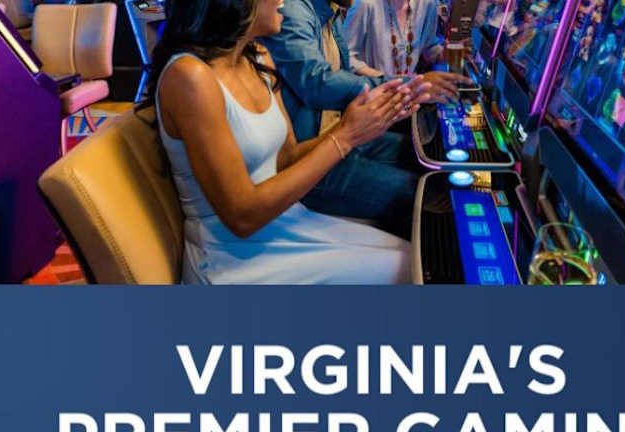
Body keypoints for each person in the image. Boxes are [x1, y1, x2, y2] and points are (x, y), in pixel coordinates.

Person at [142, 0, 429, 284]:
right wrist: (345, 137)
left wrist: (355, 127)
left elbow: (286, 158)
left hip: (284, 220)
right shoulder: (189, 76)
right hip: (229, 257)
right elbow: (242, 218)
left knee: (416, 256)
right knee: (409, 269)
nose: (283, 1)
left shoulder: (257, 57)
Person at [260, 0, 443, 239]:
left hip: (334, 132)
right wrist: (408, 85)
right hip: (310, 159)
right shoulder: (294, 10)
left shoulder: (330, 10)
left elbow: (343, 73)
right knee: (422, 193)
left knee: (426, 158)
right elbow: (317, 83)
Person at [342, 0, 472, 104]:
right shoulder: (365, 4)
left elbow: (429, 47)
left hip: (407, 97)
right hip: (376, 99)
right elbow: (345, 56)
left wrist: (444, 55)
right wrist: (385, 79)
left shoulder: (427, 4)